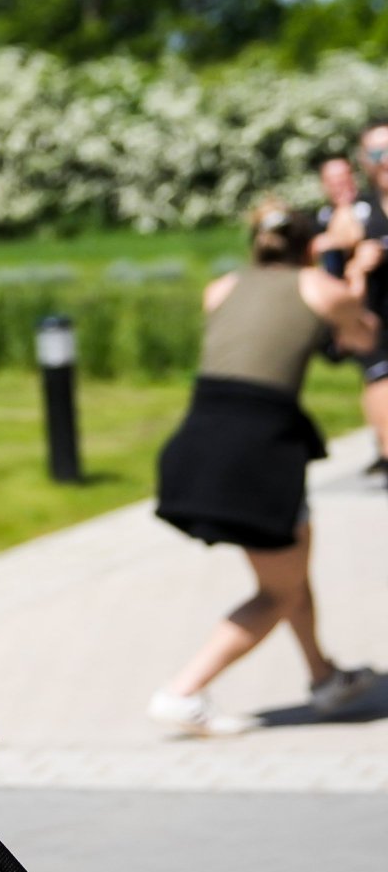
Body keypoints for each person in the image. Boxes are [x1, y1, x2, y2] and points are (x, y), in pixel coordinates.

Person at [149, 202, 380, 737]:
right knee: (279, 591)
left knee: (291, 570)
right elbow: (363, 338)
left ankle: (324, 678)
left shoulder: (222, 287)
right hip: (259, 450)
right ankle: (182, 693)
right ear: (309, 245)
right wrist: (357, 271)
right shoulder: (321, 287)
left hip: (204, 435)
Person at [315, 121, 388, 476]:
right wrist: (357, 263)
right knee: (380, 376)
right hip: (376, 315)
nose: (385, 159)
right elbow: (330, 247)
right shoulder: (352, 211)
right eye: (377, 152)